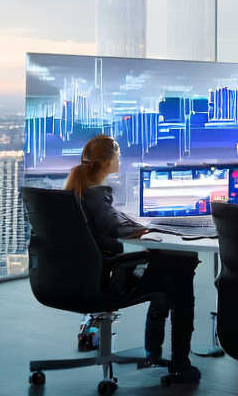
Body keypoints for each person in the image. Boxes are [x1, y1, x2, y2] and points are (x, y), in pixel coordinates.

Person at [64, 135, 201, 383]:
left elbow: (108, 223)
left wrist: (137, 226)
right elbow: (114, 227)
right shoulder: (96, 194)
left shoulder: (77, 191)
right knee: (181, 271)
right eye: (118, 156)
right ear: (107, 162)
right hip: (108, 280)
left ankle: (154, 353)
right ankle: (180, 364)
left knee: (169, 266)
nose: (120, 160)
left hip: (78, 278)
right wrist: (144, 230)